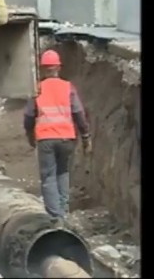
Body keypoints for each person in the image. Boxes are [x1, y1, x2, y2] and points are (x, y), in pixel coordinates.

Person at [23, 49, 92, 218]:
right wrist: (86, 137)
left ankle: (55, 216)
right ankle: (64, 211)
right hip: (67, 138)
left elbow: (29, 116)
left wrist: (30, 135)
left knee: (48, 177)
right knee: (63, 173)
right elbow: (79, 113)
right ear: (58, 68)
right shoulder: (68, 88)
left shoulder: (37, 89)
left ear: (42, 69)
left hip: (46, 138)